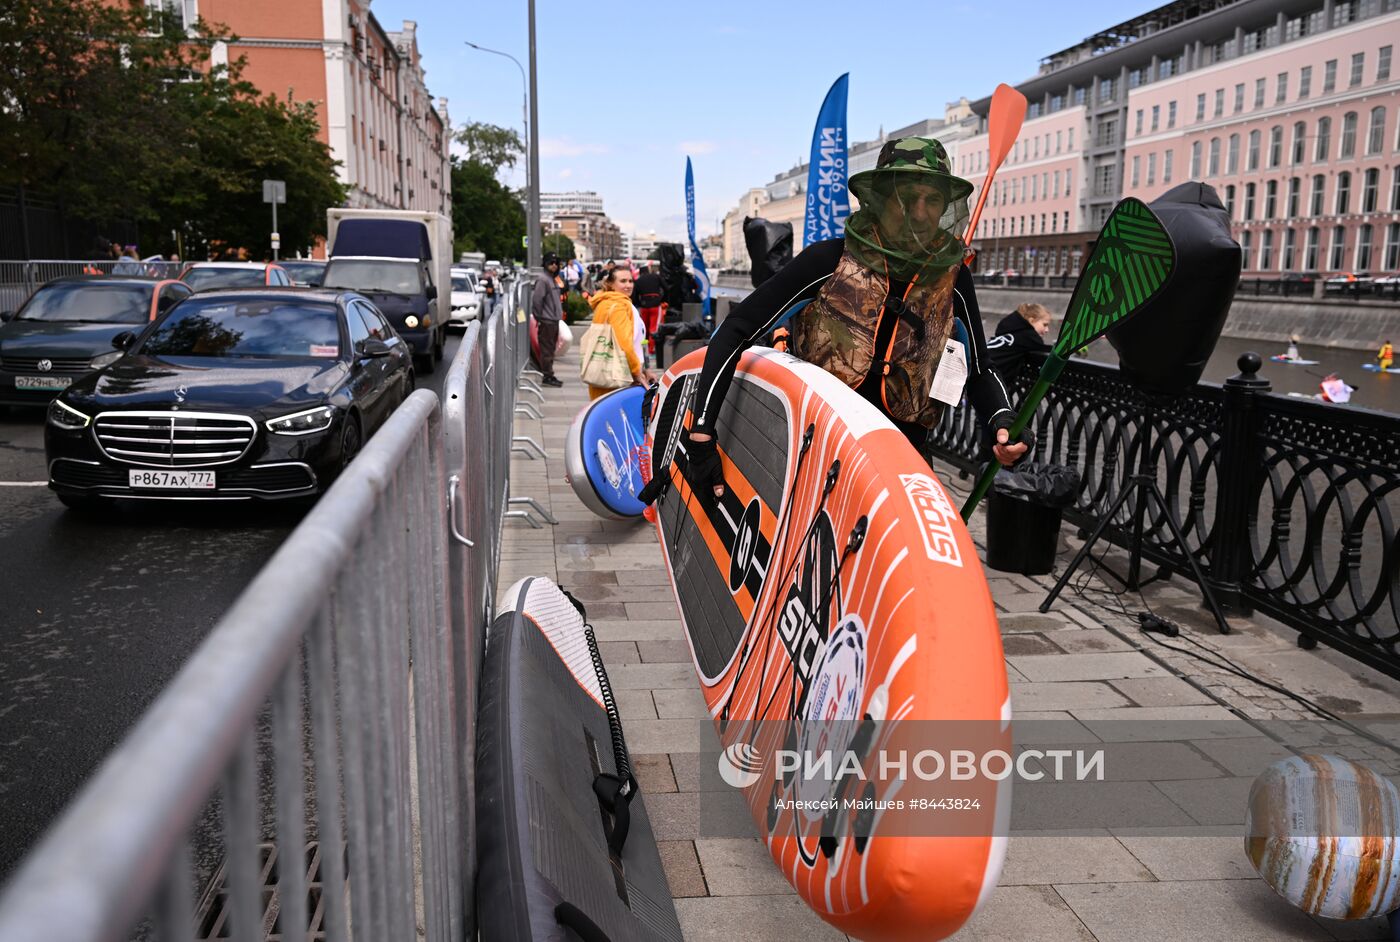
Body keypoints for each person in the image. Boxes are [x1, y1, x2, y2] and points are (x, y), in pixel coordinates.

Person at [645, 136, 1031, 501]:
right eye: (906, 196)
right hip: (816, 458)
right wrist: (702, 434)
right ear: (878, 199)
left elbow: (979, 368)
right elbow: (737, 329)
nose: (919, 211)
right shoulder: (829, 259)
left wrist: (1002, 419)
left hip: (904, 462)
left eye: (933, 199)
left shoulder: (954, 278)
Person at [585, 266, 654, 400]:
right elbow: (625, 344)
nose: (628, 285)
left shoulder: (605, 303)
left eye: (630, 281)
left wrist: (645, 368)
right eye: (622, 281)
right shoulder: (619, 306)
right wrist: (637, 372)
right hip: (620, 376)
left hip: (604, 372)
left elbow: (637, 342)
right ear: (610, 284)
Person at [986, 302, 1052, 379]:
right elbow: (1046, 350)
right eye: (1045, 325)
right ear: (1032, 321)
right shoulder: (1029, 337)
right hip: (988, 373)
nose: (1047, 330)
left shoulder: (1010, 330)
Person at [532, 252, 565, 387]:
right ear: (545, 264)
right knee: (547, 349)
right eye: (551, 263)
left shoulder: (552, 279)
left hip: (553, 320)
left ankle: (549, 374)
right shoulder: (543, 279)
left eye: (556, 263)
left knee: (550, 349)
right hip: (547, 321)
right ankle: (547, 375)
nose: (554, 265)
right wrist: (539, 317)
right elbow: (537, 300)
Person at [634, 262, 666, 357]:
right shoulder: (656, 277)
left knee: (644, 328)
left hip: (644, 306)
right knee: (654, 328)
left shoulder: (638, 280)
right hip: (655, 305)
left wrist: (640, 304)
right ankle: (651, 350)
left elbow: (635, 296)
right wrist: (662, 299)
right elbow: (666, 288)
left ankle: (643, 349)